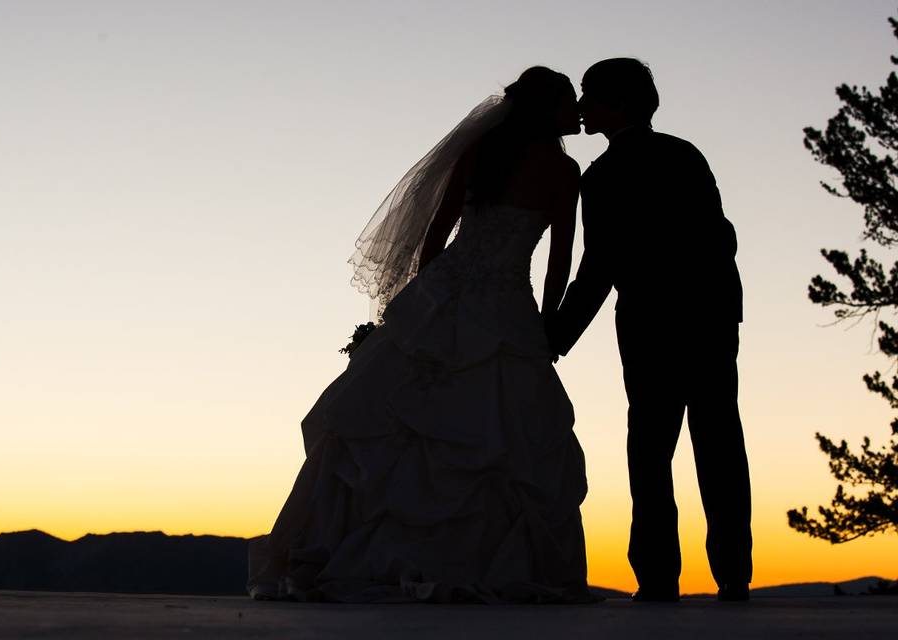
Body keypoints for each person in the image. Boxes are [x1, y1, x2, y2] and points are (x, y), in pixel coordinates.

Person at [248, 66, 595, 604]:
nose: (576, 111)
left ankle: (366, 552)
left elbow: (437, 232)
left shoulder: (484, 153)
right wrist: (547, 322)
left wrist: (427, 296)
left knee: (397, 418)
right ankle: (478, 562)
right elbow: (560, 258)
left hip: (446, 288)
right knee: (501, 428)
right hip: (504, 303)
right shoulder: (564, 171)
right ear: (545, 110)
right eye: (568, 102)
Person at [550, 58, 752, 602]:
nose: (581, 107)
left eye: (590, 96)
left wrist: (556, 337)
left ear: (617, 103)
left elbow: (598, 268)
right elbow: (720, 238)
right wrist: (724, 309)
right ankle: (733, 575)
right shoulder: (684, 154)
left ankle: (659, 578)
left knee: (651, 449)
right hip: (709, 319)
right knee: (719, 445)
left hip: (650, 326)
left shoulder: (601, 177)